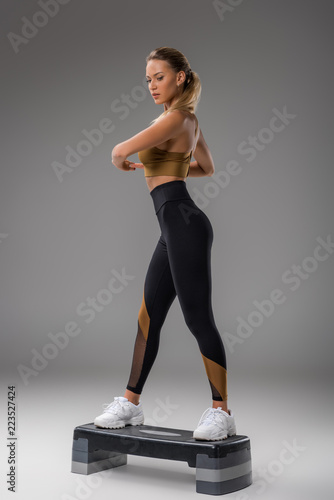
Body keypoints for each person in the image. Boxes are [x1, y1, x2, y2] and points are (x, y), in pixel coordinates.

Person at [94, 47, 236, 441]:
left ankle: (221, 411)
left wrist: (124, 160)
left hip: (184, 225)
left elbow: (118, 150)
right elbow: (206, 167)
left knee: (197, 319)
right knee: (148, 319)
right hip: (173, 228)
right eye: (148, 79)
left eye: (159, 76)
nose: (152, 85)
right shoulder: (186, 120)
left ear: (180, 77)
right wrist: (161, 166)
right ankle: (130, 404)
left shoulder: (176, 117)